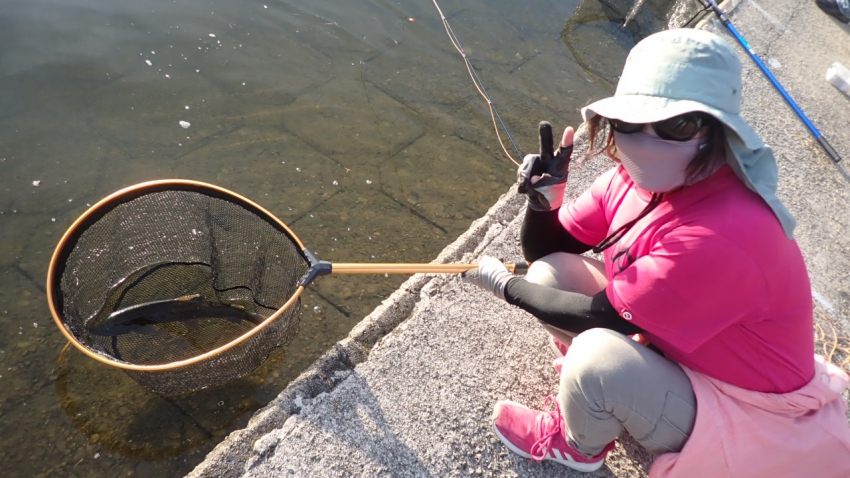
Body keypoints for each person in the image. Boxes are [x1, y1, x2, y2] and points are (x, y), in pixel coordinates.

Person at [462, 28, 850, 476]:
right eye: (629, 121)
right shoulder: (628, 180)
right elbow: (550, 250)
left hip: (747, 403)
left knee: (595, 358)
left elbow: (600, 318)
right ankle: (617, 392)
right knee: (551, 273)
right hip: (682, 347)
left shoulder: (725, 232)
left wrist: (505, 286)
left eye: (676, 125)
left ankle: (580, 446)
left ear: (716, 131)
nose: (646, 141)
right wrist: (543, 203)